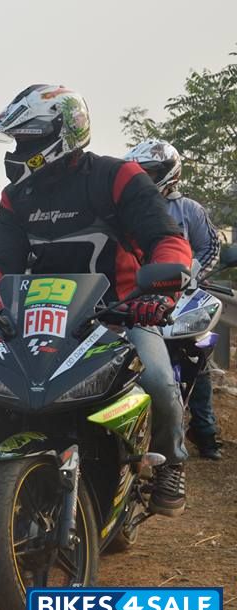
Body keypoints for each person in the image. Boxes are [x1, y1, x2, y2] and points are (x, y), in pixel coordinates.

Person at [0, 84, 192, 515]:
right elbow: (3, 265)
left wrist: (161, 291)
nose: (19, 151)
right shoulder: (16, 197)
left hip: (121, 314)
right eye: (17, 141)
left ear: (63, 134)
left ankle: (171, 462)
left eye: (29, 139)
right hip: (43, 319)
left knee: (157, 379)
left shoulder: (117, 177)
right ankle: (2, 502)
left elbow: (166, 240)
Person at [125, 138, 222, 460]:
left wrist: (192, 275)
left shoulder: (189, 209)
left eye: (149, 172)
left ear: (169, 173)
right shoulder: (124, 209)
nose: (143, 178)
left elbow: (211, 247)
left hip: (183, 297)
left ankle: (204, 431)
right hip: (138, 297)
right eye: (138, 172)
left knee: (197, 358)